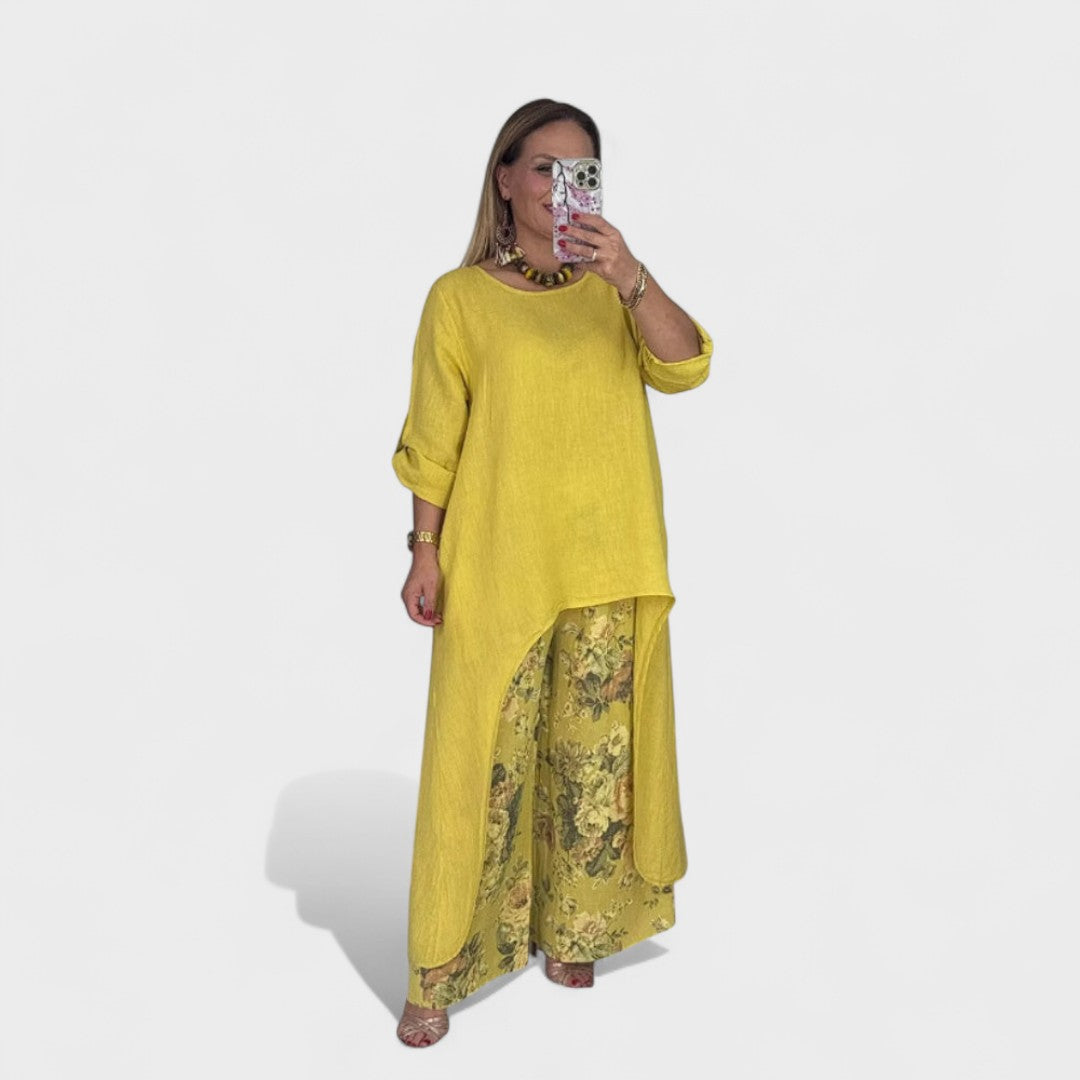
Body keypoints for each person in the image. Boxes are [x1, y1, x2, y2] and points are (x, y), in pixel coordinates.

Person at [391, 98, 713, 1048]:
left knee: (593, 768)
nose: (559, 186)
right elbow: (434, 440)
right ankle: (440, 968)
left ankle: (580, 928)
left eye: (580, 171)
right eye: (543, 167)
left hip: (609, 560)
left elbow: (687, 366)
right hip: (500, 566)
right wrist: (423, 550)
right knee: (478, 772)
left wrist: (630, 276)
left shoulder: (617, 290)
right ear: (504, 179)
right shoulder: (459, 299)